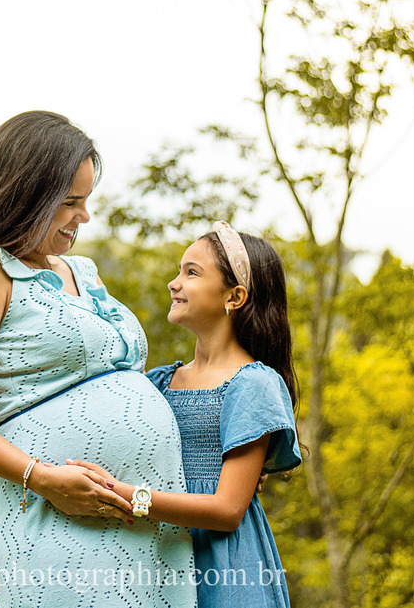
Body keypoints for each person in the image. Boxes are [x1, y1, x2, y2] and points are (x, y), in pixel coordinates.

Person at [0, 111, 196, 606]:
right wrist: (36, 477)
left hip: (147, 528)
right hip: (57, 522)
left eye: (86, 201)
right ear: (25, 196)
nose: (83, 217)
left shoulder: (83, 273)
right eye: (69, 203)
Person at [69, 222, 302, 607]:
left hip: (225, 569)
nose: (173, 283)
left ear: (235, 296)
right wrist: (22, 489)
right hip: (157, 557)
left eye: (191, 272)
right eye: (179, 270)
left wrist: (127, 497)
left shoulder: (253, 385)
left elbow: (227, 510)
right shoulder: (158, 383)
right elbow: (103, 451)